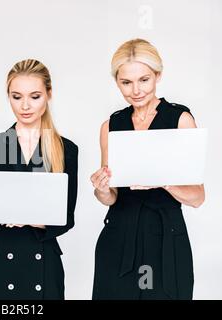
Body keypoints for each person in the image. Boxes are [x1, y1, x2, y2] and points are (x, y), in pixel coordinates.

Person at [91, 39, 205, 300]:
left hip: (165, 237)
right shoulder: (111, 125)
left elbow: (198, 197)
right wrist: (101, 188)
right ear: (117, 82)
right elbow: (110, 197)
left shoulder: (180, 119)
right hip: (118, 236)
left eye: (144, 79)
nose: (136, 90)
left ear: (158, 75)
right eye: (126, 82)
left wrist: (164, 182)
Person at [0, 59, 78, 299]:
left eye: (35, 96)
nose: (25, 106)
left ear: (49, 95)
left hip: (41, 262)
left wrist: (31, 219)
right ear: (8, 96)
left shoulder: (66, 149)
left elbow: (66, 219)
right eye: (16, 97)